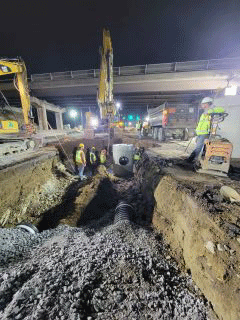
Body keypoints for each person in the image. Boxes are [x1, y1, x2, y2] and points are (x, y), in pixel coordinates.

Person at [187, 97, 224, 163]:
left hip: (205, 133)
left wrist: (210, 111)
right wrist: (196, 132)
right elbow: (201, 124)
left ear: (209, 103)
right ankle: (198, 160)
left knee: (198, 148)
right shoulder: (204, 112)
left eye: (204, 104)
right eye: (202, 104)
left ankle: (190, 160)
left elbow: (222, 110)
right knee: (200, 147)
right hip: (200, 133)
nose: (203, 106)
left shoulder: (212, 110)